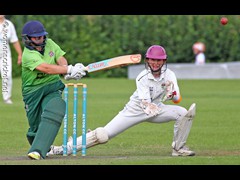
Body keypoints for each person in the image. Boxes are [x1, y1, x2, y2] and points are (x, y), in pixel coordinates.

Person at [49, 45, 196, 157]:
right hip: (135, 110)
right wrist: (161, 102)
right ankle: (64, 148)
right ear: (147, 60)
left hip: (157, 109)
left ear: (164, 61)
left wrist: (173, 94)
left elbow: (177, 99)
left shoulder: (170, 75)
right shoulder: (142, 77)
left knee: (183, 113)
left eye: (159, 60)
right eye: (152, 60)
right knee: (103, 135)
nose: (155, 63)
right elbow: (146, 104)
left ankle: (178, 148)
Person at [21, 20, 86, 160]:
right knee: (35, 128)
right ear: (27, 39)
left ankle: (38, 150)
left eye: (41, 36)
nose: (40, 39)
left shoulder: (50, 43)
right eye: (36, 37)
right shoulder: (27, 55)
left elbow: (60, 58)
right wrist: (68, 69)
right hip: (32, 92)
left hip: (52, 86)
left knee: (56, 107)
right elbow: (46, 68)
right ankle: (40, 142)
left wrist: (66, 71)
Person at [0, 15, 22, 104]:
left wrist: (20, 54)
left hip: (5, 55)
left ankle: (7, 98)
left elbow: (15, 40)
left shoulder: (9, 24)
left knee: (7, 75)